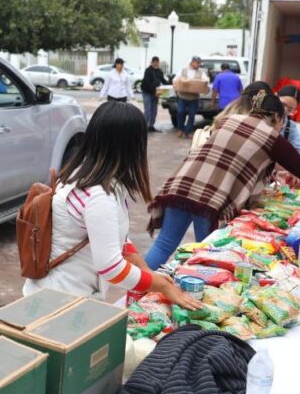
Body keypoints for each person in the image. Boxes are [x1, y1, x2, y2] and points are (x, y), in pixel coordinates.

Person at [145, 91, 300, 269]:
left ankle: (134, 293)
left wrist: (279, 174)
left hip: (181, 184)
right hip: (210, 198)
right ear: (275, 115)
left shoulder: (228, 120)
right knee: (208, 250)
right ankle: (198, 297)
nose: (281, 125)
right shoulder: (271, 137)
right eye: (283, 120)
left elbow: (240, 157)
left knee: (164, 244)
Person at [23, 101, 202, 309]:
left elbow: (118, 237)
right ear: (131, 146)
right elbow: (111, 267)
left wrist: (147, 272)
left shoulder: (81, 174)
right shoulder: (99, 196)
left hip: (55, 293)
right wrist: (161, 286)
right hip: (61, 301)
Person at [276, 85, 300, 166]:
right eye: (282, 104)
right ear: (275, 98)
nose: (284, 111)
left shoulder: (289, 127)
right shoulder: (259, 116)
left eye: (290, 110)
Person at [174, 56, 209, 138]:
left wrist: (206, 86)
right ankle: (180, 129)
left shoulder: (201, 72)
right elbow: (176, 79)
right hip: (182, 96)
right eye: (197, 63)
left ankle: (188, 132)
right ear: (192, 62)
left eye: (199, 63)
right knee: (180, 112)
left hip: (194, 98)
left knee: (192, 114)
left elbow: (205, 81)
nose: (199, 65)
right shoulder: (183, 70)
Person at [140, 56, 169, 132]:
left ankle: (151, 126)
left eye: (157, 62)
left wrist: (171, 83)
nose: (156, 64)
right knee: (147, 110)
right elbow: (147, 83)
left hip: (156, 93)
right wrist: (154, 92)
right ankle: (144, 126)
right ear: (152, 62)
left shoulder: (159, 71)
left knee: (154, 110)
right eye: (154, 62)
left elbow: (163, 81)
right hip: (147, 92)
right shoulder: (148, 71)